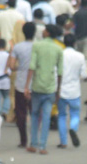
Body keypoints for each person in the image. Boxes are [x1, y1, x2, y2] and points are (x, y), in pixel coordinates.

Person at [25, 23, 64, 154]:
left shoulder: (37, 46)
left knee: (35, 115)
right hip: (50, 87)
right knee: (46, 117)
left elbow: (32, 66)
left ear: (47, 32)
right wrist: (58, 90)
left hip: (37, 86)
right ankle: (43, 146)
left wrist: (26, 86)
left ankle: (33, 143)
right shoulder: (58, 49)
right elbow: (60, 72)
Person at [8, 22, 36, 148]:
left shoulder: (17, 47)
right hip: (35, 84)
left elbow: (11, 66)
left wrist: (20, 67)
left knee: (21, 113)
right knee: (34, 112)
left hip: (20, 83)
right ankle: (35, 139)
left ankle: (23, 140)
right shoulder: (38, 46)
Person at [56, 34, 87, 148]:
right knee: (75, 114)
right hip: (75, 91)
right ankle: (73, 129)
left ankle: (63, 142)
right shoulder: (80, 56)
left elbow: (55, 73)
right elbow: (84, 74)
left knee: (62, 116)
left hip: (61, 90)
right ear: (75, 43)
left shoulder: (60, 54)